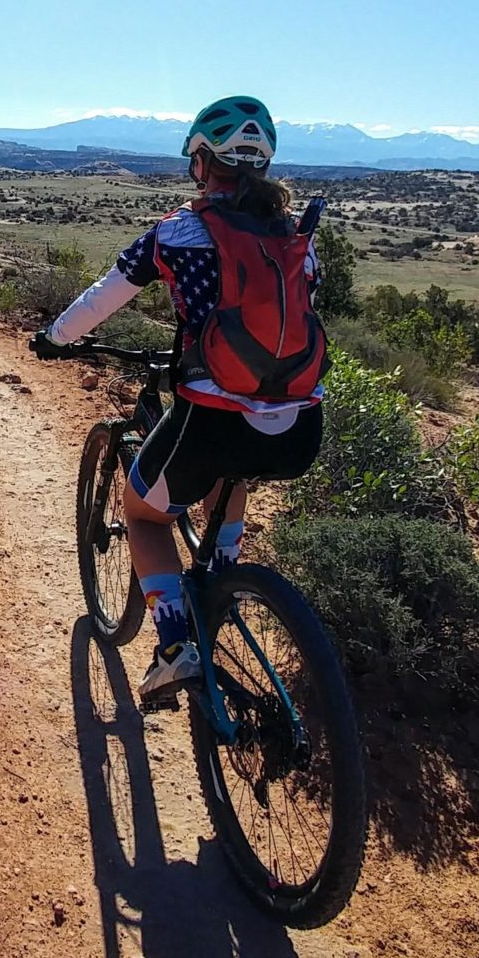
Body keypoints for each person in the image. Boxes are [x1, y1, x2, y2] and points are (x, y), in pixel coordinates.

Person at [30, 95, 328, 699]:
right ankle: (221, 581)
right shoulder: (299, 238)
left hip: (210, 421)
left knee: (143, 514)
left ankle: (171, 647)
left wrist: (55, 337)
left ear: (200, 161)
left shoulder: (177, 233)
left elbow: (102, 297)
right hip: (299, 426)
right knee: (235, 463)